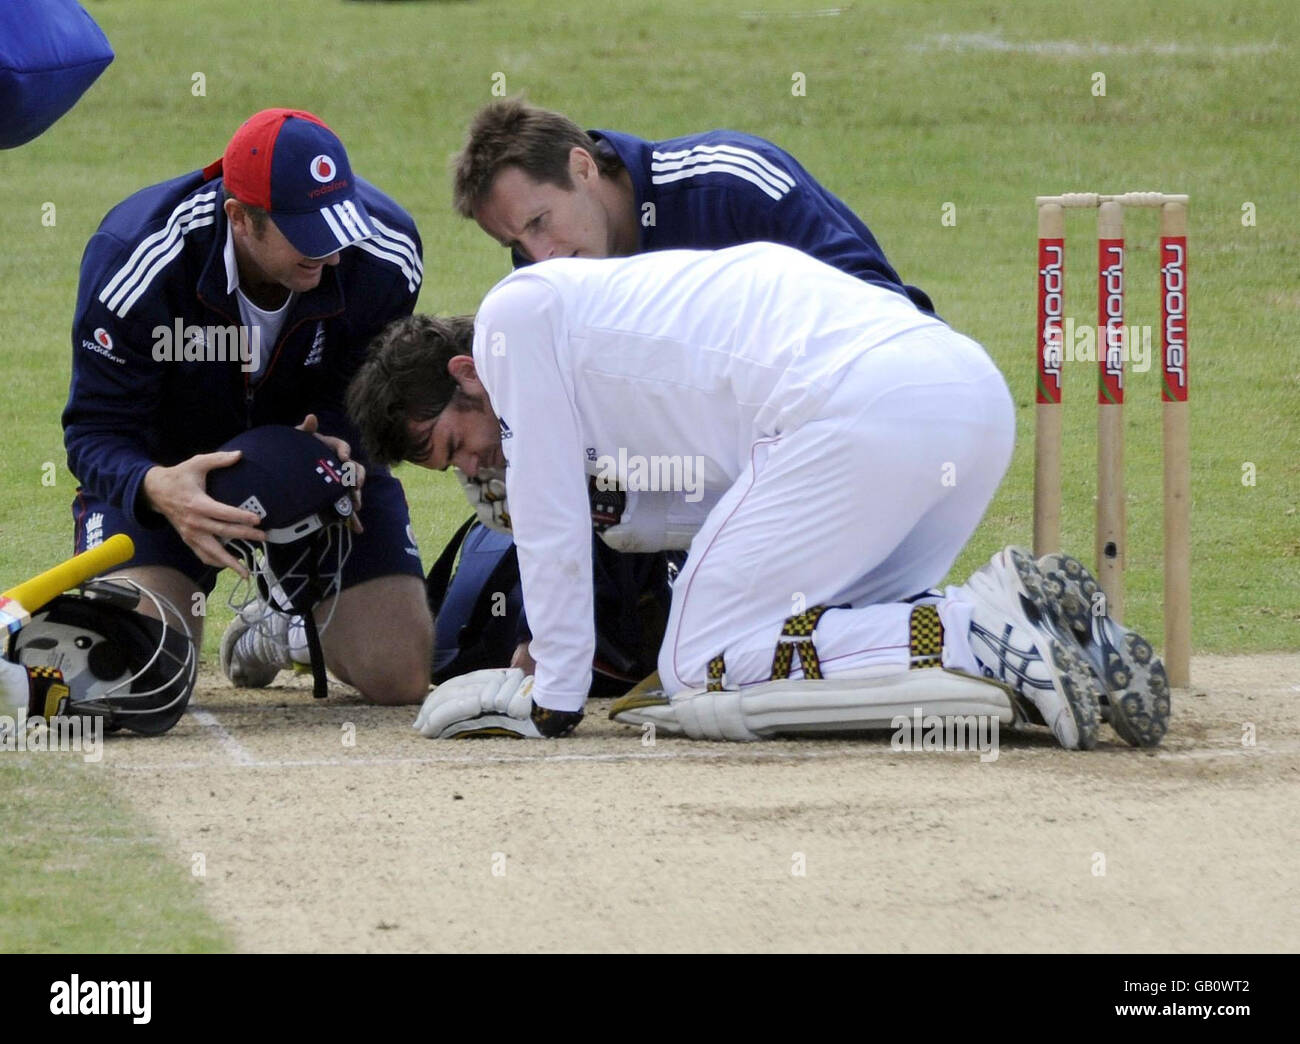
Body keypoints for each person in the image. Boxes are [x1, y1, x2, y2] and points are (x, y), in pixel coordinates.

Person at [349, 243, 1170, 749]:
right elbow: (741, 496)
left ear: (466, 372)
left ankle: (978, 630)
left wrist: (554, 695)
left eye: (454, 445)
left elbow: (549, 523)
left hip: (860, 409)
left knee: (697, 662)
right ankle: (1060, 643)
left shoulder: (513, 319)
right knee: (822, 627)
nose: (476, 466)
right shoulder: (589, 339)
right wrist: (626, 516)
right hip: (962, 403)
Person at [63, 107, 432, 706]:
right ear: (239, 217)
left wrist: (340, 440)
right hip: (168, 472)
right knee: (138, 679)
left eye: (339, 228)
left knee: (400, 676)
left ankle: (283, 627)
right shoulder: (136, 259)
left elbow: (365, 392)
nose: (334, 256)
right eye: (309, 236)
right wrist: (156, 487)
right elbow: (93, 433)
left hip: (314, 472)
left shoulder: (384, 253)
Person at [451, 97, 935, 313]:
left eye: (540, 222)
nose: (540, 257)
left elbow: (884, 308)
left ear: (582, 168)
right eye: (516, 243)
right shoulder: (545, 273)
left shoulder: (730, 183)